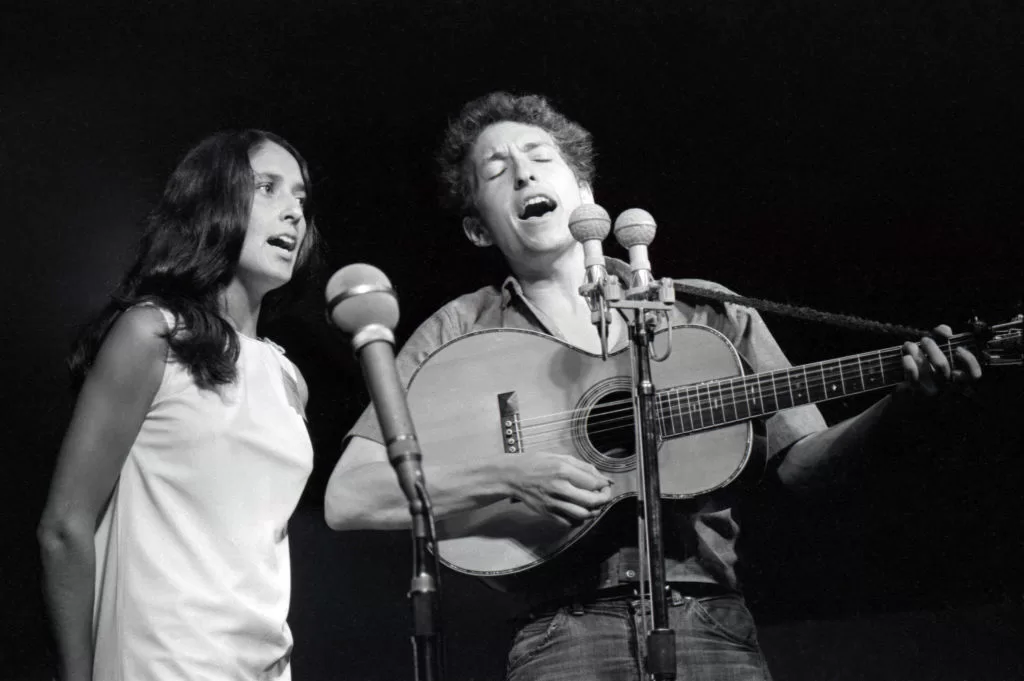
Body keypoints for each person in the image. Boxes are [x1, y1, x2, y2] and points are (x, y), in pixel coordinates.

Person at [323, 92, 981, 680]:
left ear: (583, 188)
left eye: (540, 157)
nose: (523, 172)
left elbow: (805, 464)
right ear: (477, 226)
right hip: (559, 634)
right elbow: (350, 495)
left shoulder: (705, 313)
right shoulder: (459, 331)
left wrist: (900, 397)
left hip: (710, 623)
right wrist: (505, 476)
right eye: (495, 171)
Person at [37, 129, 322, 681]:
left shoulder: (288, 376)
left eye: (301, 199)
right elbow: (65, 526)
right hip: (164, 660)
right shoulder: (152, 335)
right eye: (268, 188)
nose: (293, 213)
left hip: (264, 664)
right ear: (212, 201)